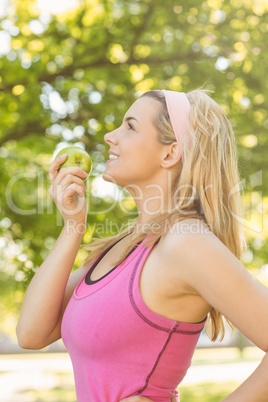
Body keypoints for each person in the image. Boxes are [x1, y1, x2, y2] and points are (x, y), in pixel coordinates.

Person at [16, 88, 268, 402]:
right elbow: (31, 334)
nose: (110, 136)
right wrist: (72, 226)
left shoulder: (186, 241)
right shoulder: (123, 247)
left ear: (170, 153)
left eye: (130, 126)